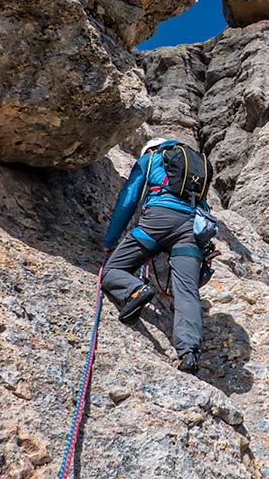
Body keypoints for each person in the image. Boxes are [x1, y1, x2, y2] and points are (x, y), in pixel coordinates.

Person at [102, 137, 213, 373]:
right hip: (191, 229)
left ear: (152, 149)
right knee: (186, 291)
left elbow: (129, 197)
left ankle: (135, 289)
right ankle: (188, 353)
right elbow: (204, 208)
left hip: (158, 222)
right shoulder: (192, 173)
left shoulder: (151, 158)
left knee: (112, 270)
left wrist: (110, 240)